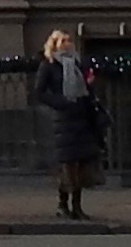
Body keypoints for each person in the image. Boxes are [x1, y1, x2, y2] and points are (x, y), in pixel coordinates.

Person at [32, 30, 106, 221]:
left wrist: (89, 86)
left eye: (69, 40)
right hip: (63, 119)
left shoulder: (77, 63)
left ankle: (77, 206)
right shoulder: (48, 65)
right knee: (68, 164)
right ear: (54, 44)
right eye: (63, 41)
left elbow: (85, 90)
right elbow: (40, 92)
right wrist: (61, 102)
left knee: (82, 163)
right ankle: (63, 204)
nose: (68, 44)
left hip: (82, 118)